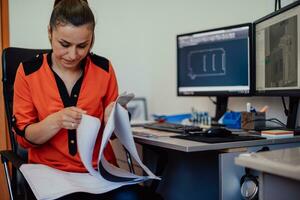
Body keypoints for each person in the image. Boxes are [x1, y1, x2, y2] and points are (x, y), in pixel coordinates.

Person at [13, 0, 162, 199]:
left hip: (100, 174)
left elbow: (113, 137)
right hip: (51, 174)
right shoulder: (28, 72)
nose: (73, 55)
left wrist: (115, 118)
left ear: (92, 39)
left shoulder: (104, 69)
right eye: (64, 44)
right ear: (50, 32)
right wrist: (56, 121)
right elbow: (24, 138)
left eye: (82, 46)